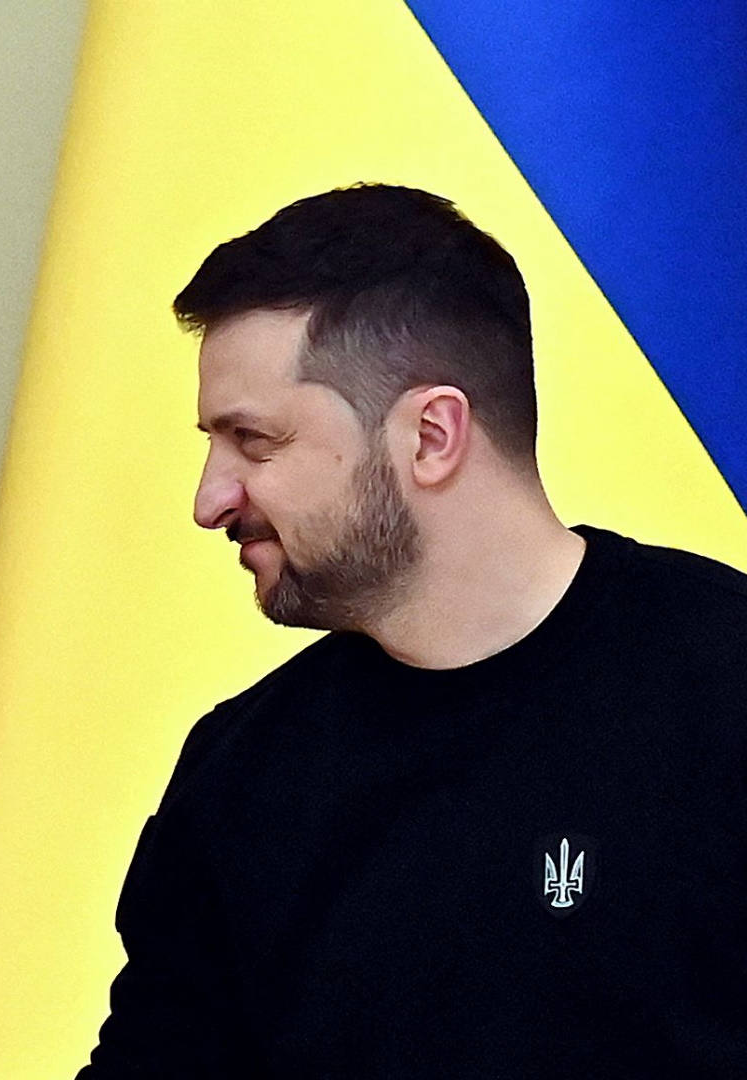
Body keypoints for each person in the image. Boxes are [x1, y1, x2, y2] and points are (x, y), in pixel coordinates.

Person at [80, 184, 747, 1076]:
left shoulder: (723, 691)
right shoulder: (242, 774)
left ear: (431, 435)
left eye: (255, 441)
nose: (211, 500)